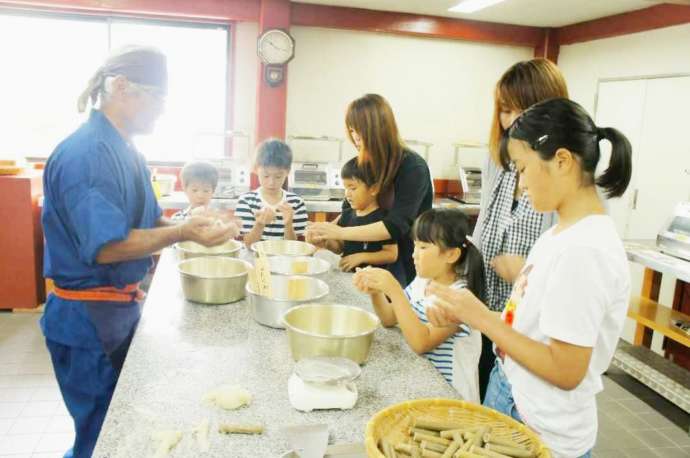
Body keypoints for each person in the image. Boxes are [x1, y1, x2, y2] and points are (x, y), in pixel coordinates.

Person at [41, 46, 238, 458]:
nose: (162, 111)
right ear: (121, 87)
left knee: (121, 423)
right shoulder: (87, 154)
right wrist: (183, 230)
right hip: (86, 320)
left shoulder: (126, 150)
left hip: (114, 312)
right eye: (158, 99)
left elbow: (147, 224)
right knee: (101, 436)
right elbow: (108, 246)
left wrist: (192, 229)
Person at [427, 98, 632, 458]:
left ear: (562, 161)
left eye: (522, 168)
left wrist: (479, 317)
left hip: (542, 429)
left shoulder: (585, 250)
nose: (520, 184)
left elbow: (566, 369)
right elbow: (524, 328)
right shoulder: (560, 235)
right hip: (515, 398)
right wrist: (466, 311)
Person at [474, 59, 568, 400]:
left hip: (528, 328)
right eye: (505, 109)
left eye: (522, 109)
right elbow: (485, 220)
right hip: (485, 309)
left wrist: (525, 274)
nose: (512, 121)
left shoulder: (564, 175)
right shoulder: (497, 161)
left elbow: (566, 270)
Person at [353, 208, 484, 402]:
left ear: (451, 255)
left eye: (423, 248)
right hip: (424, 387)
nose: (414, 255)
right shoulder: (423, 281)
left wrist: (394, 290)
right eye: (414, 246)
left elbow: (421, 342)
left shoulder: (459, 297)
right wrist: (377, 292)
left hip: (450, 399)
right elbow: (389, 318)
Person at [307, 94, 433, 286]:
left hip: (406, 263)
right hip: (366, 271)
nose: (355, 137)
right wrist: (326, 237)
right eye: (351, 130)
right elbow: (349, 213)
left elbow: (395, 226)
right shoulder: (363, 162)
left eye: (359, 130)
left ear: (378, 128)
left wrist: (338, 233)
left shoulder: (412, 167)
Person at [306, 157, 398, 273]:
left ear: (374, 189)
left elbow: (391, 254)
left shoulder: (382, 221)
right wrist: (326, 243)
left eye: (353, 188)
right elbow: (340, 247)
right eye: (345, 188)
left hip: (372, 284)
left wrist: (361, 257)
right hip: (349, 277)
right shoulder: (347, 214)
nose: (347, 194)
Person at [235, 139, 308, 245]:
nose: (271, 182)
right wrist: (259, 224)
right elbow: (248, 244)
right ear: (256, 170)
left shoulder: (296, 203)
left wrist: (288, 224)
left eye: (278, 176)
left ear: (287, 172)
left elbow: (293, 247)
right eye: (266, 175)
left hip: (284, 258)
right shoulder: (246, 201)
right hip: (256, 258)